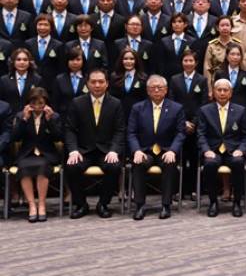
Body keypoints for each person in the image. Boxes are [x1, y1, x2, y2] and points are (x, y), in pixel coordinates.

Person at [64, 69, 125, 219]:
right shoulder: (77, 103)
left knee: (114, 166)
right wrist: (73, 150)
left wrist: (114, 150)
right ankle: (81, 204)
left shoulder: (116, 104)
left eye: (101, 82)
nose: (97, 85)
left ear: (107, 84)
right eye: (93, 82)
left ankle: (103, 204)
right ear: (87, 84)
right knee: (72, 167)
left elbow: (120, 130)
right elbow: (70, 129)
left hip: (106, 151)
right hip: (84, 150)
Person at [127, 75, 186, 220]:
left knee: (169, 163)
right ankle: (140, 205)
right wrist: (137, 150)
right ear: (148, 91)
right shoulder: (137, 108)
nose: (157, 90)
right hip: (145, 150)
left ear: (166, 90)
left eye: (160, 87)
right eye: (153, 88)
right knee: (138, 163)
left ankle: (166, 205)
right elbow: (131, 132)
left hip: (166, 150)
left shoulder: (176, 108)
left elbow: (180, 133)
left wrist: (173, 150)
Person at [197, 78, 246, 218]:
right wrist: (206, 150)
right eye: (219, 90)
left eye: (225, 90)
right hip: (213, 151)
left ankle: (237, 202)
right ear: (214, 92)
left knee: (238, 162)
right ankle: (213, 202)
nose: (222, 93)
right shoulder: (205, 110)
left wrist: (241, 150)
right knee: (210, 164)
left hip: (233, 151)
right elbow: (201, 134)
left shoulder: (240, 110)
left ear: (230, 93)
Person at [12, 87, 62, 222]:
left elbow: (58, 137)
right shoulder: (21, 116)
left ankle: (42, 204)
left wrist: (50, 121)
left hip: (46, 154)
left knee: (42, 168)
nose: (37, 107)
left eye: (41, 103)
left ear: (46, 103)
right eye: (33, 103)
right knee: (23, 168)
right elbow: (15, 138)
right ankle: (32, 205)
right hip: (27, 154)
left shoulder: (54, 116)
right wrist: (24, 119)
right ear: (29, 103)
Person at [168, 50, 208, 200]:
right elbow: (171, 101)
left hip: (196, 126)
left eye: (191, 61)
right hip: (179, 125)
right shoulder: (174, 79)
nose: (188, 63)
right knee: (180, 159)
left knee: (194, 158)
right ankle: (179, 190)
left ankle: (194, 190)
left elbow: (203, 104)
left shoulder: (202, 80)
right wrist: (183, 122)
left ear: (196, 63)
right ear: (182, 62)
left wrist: (194, 123)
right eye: (185, 60)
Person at [213, 43, 246, 119]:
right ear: (227, 56)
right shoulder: (220, 74)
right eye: (232, 54)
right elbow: (216, 93)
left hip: (242, 111)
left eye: (238, 54)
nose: (235, 57)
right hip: (224, 110)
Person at [0, 48, 43, 115]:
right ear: (13, 62)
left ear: (30, 62)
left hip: (30, 116)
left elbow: (40, 100)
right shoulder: (4, 80)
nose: (22, 62)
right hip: (8, 117)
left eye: (25, 60)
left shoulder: (37, 79)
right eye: (18, 59)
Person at [109, 48, 147, 121]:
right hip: (118, 114)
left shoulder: (143, 77)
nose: (128, 61)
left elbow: (145, 99)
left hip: (137, 114)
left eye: (132, 59)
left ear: (136, 61)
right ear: (121, 60)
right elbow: (111, 97)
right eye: (125, 59)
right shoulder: (114, 76)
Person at [51, 47, 87, 116]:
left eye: (78, 59)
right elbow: (55, 102)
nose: (75, 62)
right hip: (64, 116)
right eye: (72, 59)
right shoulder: (59, 79)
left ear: (83, 61)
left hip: (84, 115)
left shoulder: (88, 78)